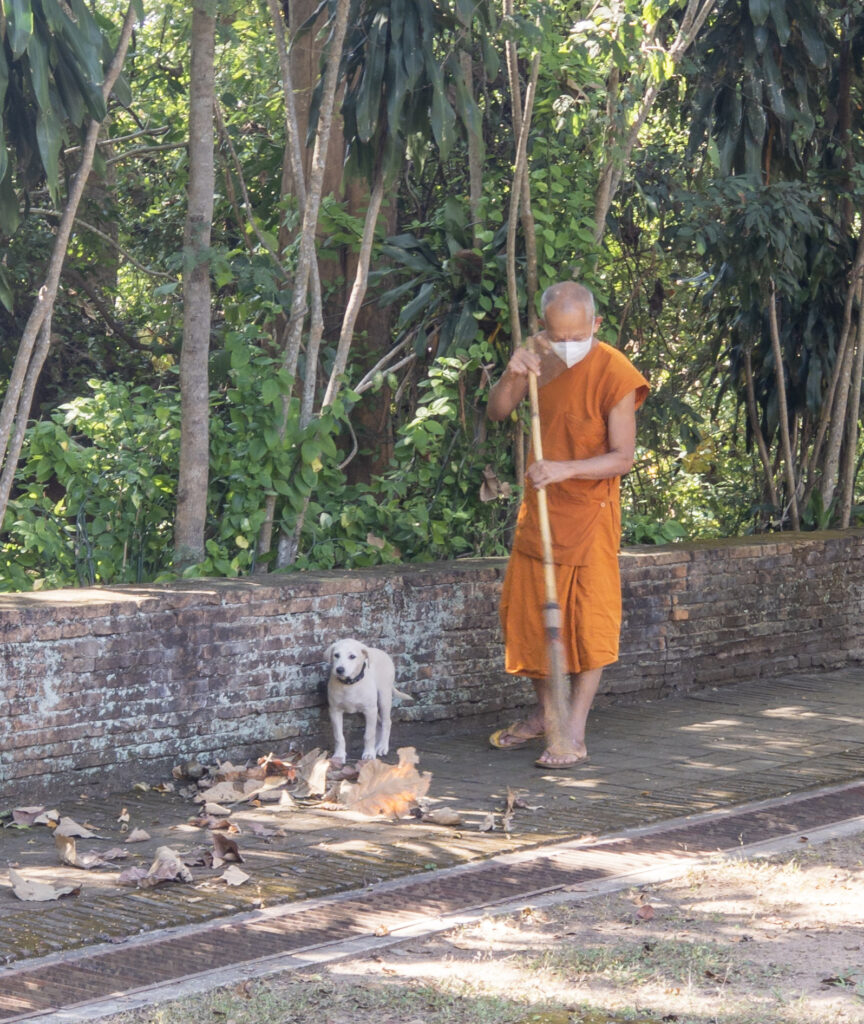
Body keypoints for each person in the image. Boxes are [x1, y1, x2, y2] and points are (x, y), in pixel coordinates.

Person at [487, 281, 649, 769]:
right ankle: (545, 714)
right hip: (540, 511)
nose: (568, 345)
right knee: (533, 619)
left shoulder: (614, 370)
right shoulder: (537, 356)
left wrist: (564, 468)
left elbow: (622, 458)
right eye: (558, 336)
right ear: (543, 329)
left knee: (589, 625)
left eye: (578, 336)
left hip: (590, 514)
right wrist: (514, 374)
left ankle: (572, 728)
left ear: (596, 326)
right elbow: (498, 411)